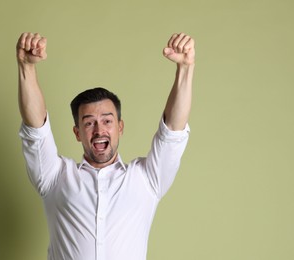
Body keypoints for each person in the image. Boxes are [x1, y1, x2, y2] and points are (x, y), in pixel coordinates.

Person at [17, 32, 195, 260]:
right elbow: (36, 131)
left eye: (107, 121)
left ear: (120, 127)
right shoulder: (54, 178)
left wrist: (186, 68)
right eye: (89, 123)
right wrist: (26, 67)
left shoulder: (147, 179)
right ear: (77, 133)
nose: (99, 130)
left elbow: (172, 132)